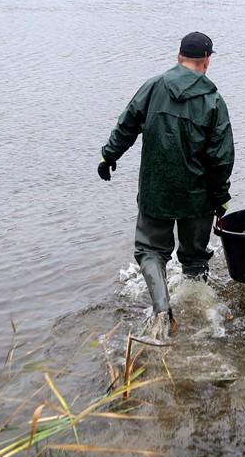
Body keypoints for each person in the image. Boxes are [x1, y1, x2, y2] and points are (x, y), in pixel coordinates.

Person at [98, 31, 234, 334]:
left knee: (150, 250)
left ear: (178, 57)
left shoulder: (153, 87)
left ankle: (162, 310)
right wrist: (221, 197)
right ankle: (202, 317)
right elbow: (221, 157)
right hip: (197, 196)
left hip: (155, 190)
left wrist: (108, 157)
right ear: (207, 61)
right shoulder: (213, 100)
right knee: (195, 258)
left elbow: (126, 124)